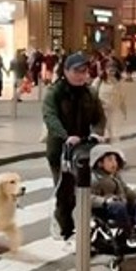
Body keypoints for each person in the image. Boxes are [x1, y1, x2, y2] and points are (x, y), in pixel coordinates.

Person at [42, 52, 107, 247]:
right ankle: (65, 228)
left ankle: (97, 228)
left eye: (84, 71)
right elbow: (50, 116)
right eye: (76, 71)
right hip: (60, 150)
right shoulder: (55, 92)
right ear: (66, 71)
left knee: (92, 189)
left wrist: (97, 133)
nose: (81, 75)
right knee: (66, 192)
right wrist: (65, 136)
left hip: (85, 149)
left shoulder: (90, 93)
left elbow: (99, 118)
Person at [89, 144, 136, 241]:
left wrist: (135, 196)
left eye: (115, 160)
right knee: (119, 207)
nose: (114, 163)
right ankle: (129, 232)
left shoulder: (115, 176)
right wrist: (105, 201)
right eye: (110, 160)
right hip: (106, 209)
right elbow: (89, 197)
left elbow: (125, 189)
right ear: (100, 163)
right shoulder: (94, 180)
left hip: (121, 203)